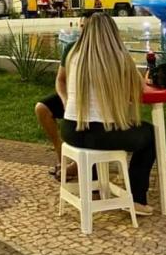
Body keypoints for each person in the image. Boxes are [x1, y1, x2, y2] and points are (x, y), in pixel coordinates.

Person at [56, 12, 156, 215]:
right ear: (113, 33)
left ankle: (94, 183)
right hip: (101, 134)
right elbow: (139, 93)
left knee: (109, 132)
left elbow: (64, 81)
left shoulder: (74, 54)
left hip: (70, 130)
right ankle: (137, 198)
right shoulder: (120, 57)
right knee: (150, 134)